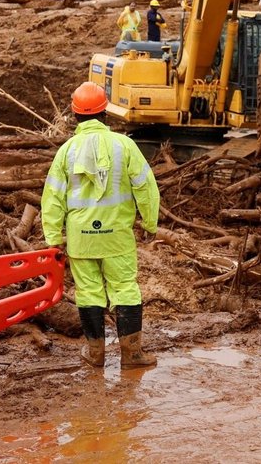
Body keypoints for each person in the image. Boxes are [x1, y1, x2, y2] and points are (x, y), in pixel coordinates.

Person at [41, 81, 160, 370]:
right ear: (105, 111)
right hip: (116, 237)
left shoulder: (66, 151)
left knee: (89, 292)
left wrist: (53, 237)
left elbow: (53, 197)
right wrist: (150, 222)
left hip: (82, 238)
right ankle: (132, 355)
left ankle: (95, 354)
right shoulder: (125, 145)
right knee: (125, 290)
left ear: (75, 115)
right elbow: (146, 187)